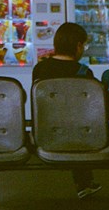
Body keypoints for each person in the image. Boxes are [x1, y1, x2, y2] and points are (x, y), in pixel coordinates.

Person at [31, 22, 102, 200]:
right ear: (78, 46)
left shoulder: (40, 68)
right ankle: (84, 183)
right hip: (79, 134)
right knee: (78, 127)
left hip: (44, 132)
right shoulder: (84, 72)